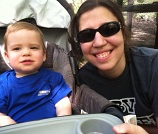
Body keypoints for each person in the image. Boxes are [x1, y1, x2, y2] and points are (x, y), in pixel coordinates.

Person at [68, 0, 158, 133]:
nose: (99, 42)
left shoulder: (153, 66)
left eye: (109, 29)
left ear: (123, 31)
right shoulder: (82, 82)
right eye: (87, 35)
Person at [0, 22, 72, 129]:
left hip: (51, 129)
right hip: (17, 131)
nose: (26, 53)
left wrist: (63, 123)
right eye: (17, 48)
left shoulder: (53, 78)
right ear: (7, 56)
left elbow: (62, 103)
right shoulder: (2, 84)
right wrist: (2, 121)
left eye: (33, 47)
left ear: (44, 55)